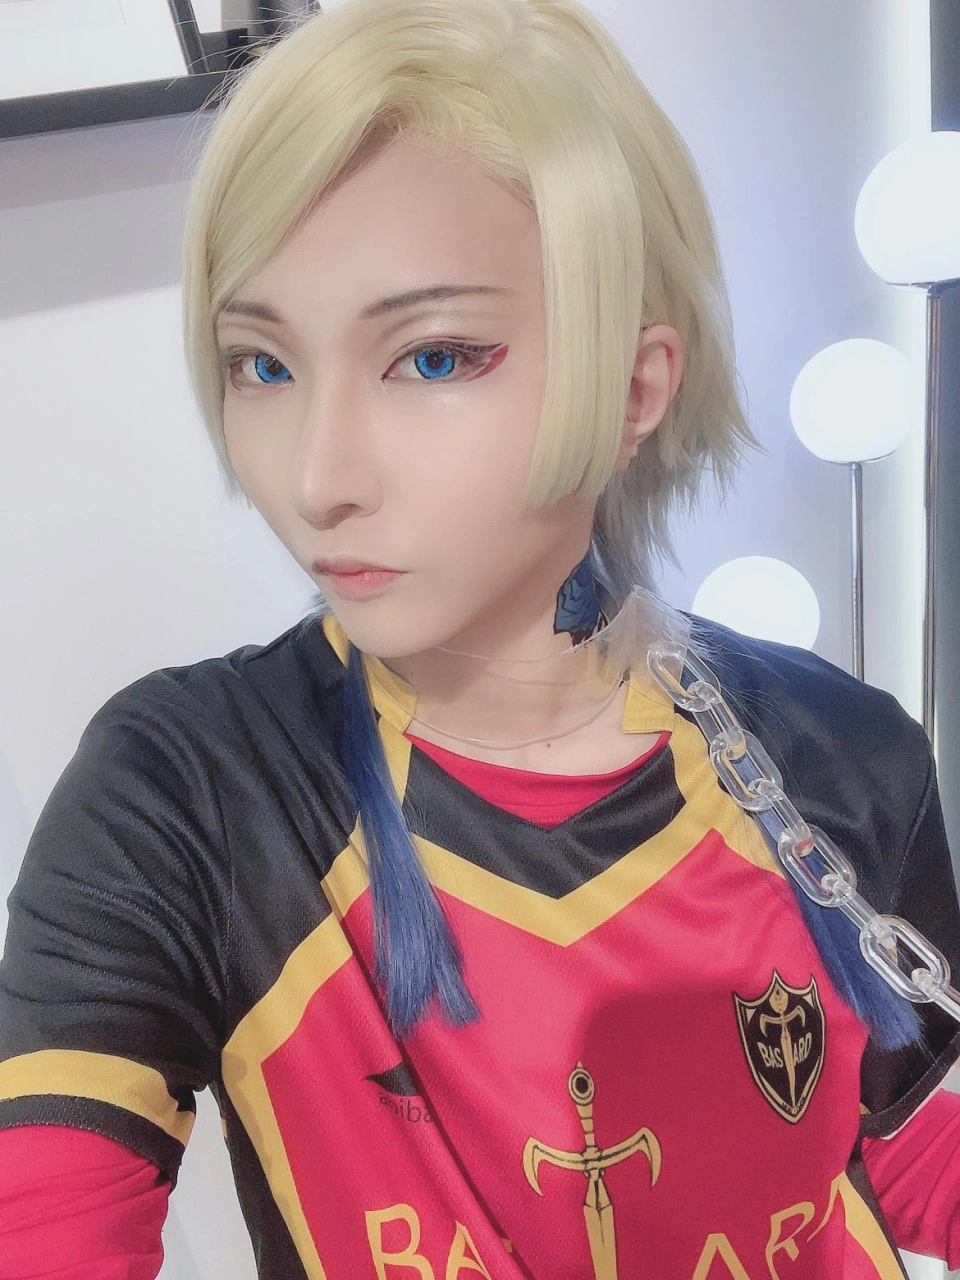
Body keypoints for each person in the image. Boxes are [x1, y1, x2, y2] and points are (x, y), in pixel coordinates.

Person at [2, 0, 960, 1276]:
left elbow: (889, 1129)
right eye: (262, 364)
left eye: (436, 358)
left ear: (633, 387)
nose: (317, 478)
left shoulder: (841, 754)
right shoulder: (187, 795)